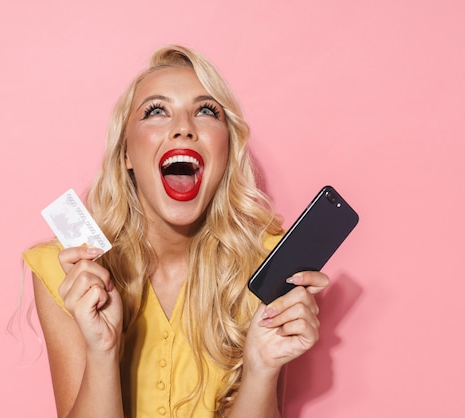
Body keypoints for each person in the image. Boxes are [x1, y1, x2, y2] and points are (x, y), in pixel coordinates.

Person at [23, 45, 329, 418]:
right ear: (126, 155)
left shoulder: (269, 265)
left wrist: (262, 370)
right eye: (156, 111)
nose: (183, 128)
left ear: (228, 149)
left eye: (205, 111)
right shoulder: (66, 270)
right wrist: (102, 353)